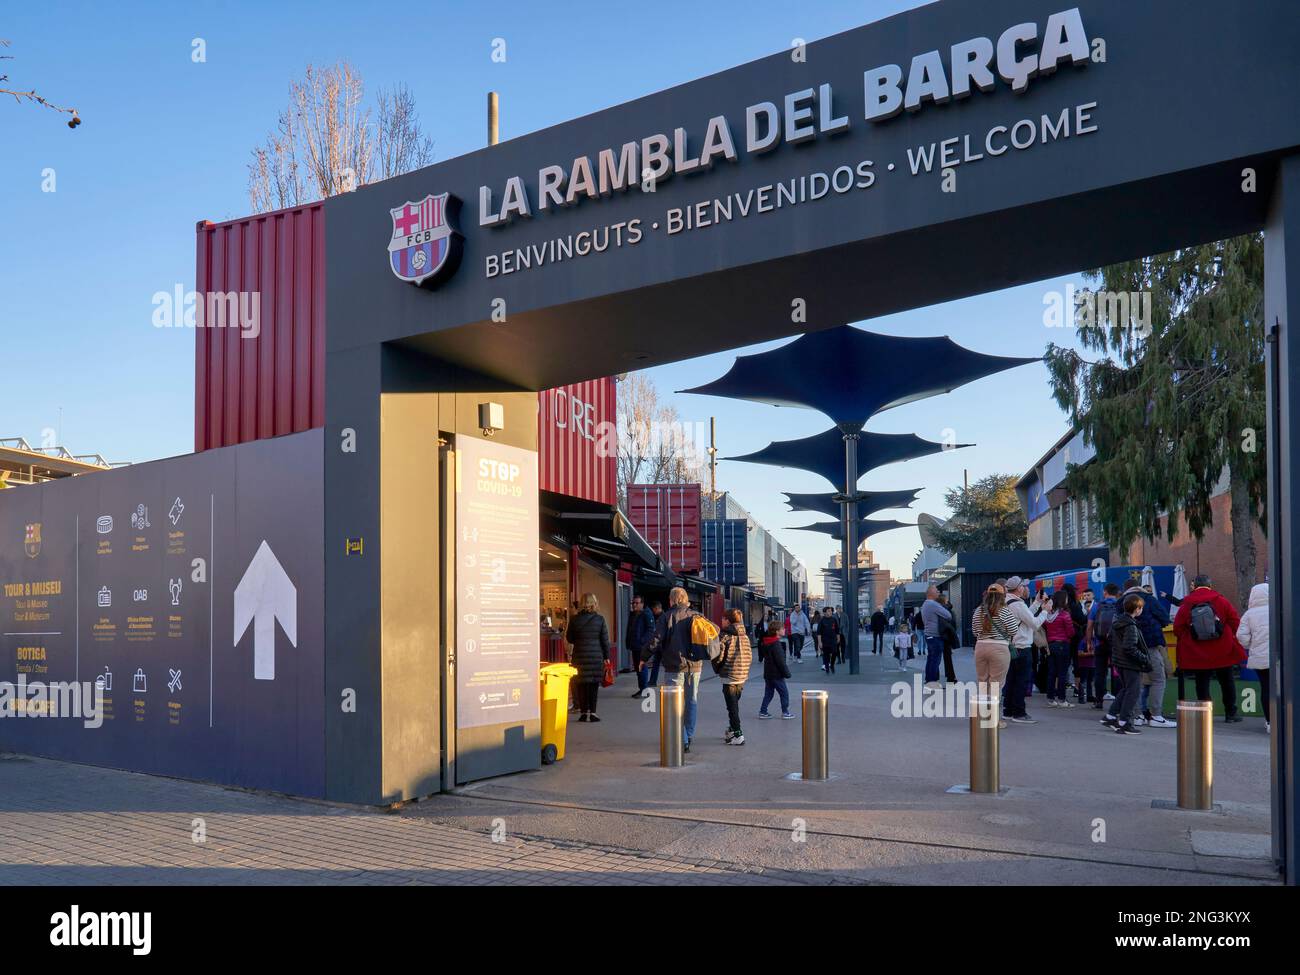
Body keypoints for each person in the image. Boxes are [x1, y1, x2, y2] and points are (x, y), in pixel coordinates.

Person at [1173, 574, 1245, 723]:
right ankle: (1231, 713)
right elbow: (1235, 621)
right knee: (1227, 682)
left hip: (1197, 651)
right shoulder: (1221, 600)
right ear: (1210, 585)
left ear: (1194, 586)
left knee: (1202, 683)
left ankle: (1205, 714)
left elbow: (1178, 628)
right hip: (1222, 649)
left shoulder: (1186, 604)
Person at [642, 587, 705, 751]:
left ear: (672, 600)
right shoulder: (696, 615)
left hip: (674, 666)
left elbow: (656, 639)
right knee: (692, 701)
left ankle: (682, 738)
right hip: (695, 666)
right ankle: (688, 735)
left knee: (674, 703)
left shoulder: (666, 616)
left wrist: (643, 657)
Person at [1122, 576, 1175, 727]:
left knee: (1136, 681)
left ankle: (1138, 715)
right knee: (1158, 679)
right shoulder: (1149, 599)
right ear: (1139, 586)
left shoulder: (1121, 602)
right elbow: (1165, 619)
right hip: (1150, 644)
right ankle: (1156, 715)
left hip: (1129, 647)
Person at [1101, 592, 1153, 735]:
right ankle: (1124, 722)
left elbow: (1111, 639)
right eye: (1141, 608)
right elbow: (1129, 647)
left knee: (1126, 690)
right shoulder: (1131, 626)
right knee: (1133, 692)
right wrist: (1143, 658)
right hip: (1129, 664)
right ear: (1137, 609)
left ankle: (1111, 716)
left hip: (1119, 661)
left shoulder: (1117, 622)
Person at [971, 583, 1019, 730]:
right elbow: (1013, 630)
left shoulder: (978, 610)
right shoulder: (1005, 610)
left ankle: (982, 717)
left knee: (983, 683)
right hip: (999, 648)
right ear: (1002, 595)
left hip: (980, 647)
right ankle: (994, 720)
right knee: (996, 685)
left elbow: (974, 630)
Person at [1002, 577, 1048, 724]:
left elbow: (1025, 616)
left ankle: (1008, 710)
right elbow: (1034, 624)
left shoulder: (1006, 601)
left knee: (1011, 680)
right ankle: (1019, 712)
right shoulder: (1018, 604)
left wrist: (1037, 603)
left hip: (1010, 646)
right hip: (1022, 647)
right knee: (1021, 681)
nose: (1025, 588)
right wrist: (1045, 611)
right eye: (1023, 586)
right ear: (1019, 588)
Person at [566, 592, 610, 722]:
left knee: (581, 685)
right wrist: (607, 657)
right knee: (593, 685)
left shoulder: (574, 619)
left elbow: (570, 638)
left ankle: (584, 713)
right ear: (594, 603)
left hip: (579, 656)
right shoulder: (600, 619)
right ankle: (594, 713)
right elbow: (605, 640)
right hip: (596, 656)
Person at [1237, 582, 1270, 731]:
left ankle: (1270, 721)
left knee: (1266, 688)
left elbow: (1241, 636)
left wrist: (1251, 646)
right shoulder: (1278, 609)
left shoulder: (1249, 614)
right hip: (1279, 657)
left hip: (1259, 657)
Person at [716, 609, 753, 745]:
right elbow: (749, 655)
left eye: (723, 619)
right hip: (742, 675)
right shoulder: (745, 636)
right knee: (734, 704)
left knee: (732, 708)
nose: (721, 621)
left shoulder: (724, 636)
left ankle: (738, 734)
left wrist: (718, 668)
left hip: (729, 675)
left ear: (728, 620)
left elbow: (718, 656)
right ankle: (732, 729)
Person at [1085, 583, 1122, 707]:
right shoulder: (1120, 606)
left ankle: (1099, 700)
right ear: (1117, 593)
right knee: (1117, 672)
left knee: (1100, 672)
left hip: (1099, 643)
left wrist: (1089, 642)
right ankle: (1118, 701)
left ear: (1105, 593)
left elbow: (1089, 626)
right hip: (1116, 644)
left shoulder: (1096, 606)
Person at [1041, 590, 1076, 708]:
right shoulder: (1065, 614)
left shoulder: (1048, 615)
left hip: (1050, 645)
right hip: (1063, 644)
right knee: (1062, 673)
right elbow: (1071, 632)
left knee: (1052, 672)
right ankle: (1062, 699)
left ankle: (1050, 698)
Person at [757, 619, 794, 719]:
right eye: (782, 628)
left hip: (768, 673)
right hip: (777, 674)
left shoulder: (767, 642)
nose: (784, 629)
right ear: (777, 631)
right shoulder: (776, 645)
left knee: (769, 693)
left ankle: (763, 711)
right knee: (784, 693)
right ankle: (785, 712)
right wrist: (787, 673)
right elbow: (780, 662)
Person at [919, 585, 953, 687]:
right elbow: (948, 615)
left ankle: (929, 680)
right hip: (935, 636)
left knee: (931, 659)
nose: (938, 592)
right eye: (936, 591)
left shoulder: (925, 604)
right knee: (935, 660)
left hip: (929, 635)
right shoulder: (933, 604)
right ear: (931, 593)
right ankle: (932, 682)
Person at [627, 595, 656, 698]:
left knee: (641, 668)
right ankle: (642, 689)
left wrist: (642, 641)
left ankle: (644, 690)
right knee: (638, 668)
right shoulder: (634, 614)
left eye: (636, 603)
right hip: (635, 646)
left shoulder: (646, 614)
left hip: (642, 647)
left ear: (642, 604)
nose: (634, 605)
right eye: (633, 603)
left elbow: (651, 630)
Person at [937, 594, 960, 684]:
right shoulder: (949, 610)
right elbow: (954, 623)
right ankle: (950, 677)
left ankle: (935, 678)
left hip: (940, 635)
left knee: (936, 658)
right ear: (945, 600)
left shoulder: (939, 610)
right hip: (948, 636)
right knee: (948, 658)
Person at [816, 608, 841, 673]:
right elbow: (819, 633)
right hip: (825, 640)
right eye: (828, 611)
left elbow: (837, 630)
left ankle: (832, 664)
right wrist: (819, 642)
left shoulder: (834, 619)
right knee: (826, 654)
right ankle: (827, 666)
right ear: (824, 613)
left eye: (830, 611)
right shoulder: (822, 621)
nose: (830, 612)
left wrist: (838, 638)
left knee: (835, 652)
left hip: (833, 640)